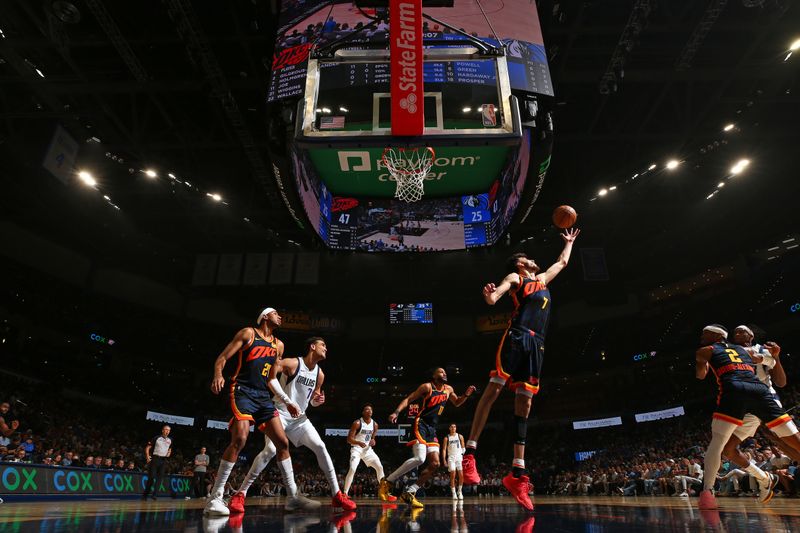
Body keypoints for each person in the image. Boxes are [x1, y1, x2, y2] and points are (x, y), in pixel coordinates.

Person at [462, 228, 580, 511]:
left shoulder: (541, 279)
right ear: (520, 263)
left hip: (537, 343)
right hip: (517, 336)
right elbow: (496, 296)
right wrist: (490, 297)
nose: (534, 260)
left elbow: (562, 263)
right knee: (494, 388)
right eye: (528, 258)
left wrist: (569, 243)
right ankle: (470, 453)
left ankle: (517, 474)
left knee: (525, 404)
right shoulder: (517, 277)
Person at [205, 307, 318, 516]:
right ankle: (215, 497)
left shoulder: (279, 345)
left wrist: (287, 401)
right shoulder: (248, 333)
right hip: (243, 391)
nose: (281, 316)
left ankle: (292, 496)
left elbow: (272, 379)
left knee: (282, 443)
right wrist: (218, 374)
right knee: (239, 439)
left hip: (263, 397)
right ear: (265, 316)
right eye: (276, 313)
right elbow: (222, 358)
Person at [229, 336, 355, 513]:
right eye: (323, 345)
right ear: (312, 346)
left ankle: (337, 495)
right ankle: (240, 494)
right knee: (270, 450)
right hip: (279, 413)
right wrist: (288, 401)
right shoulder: (293, 363)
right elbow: (270, 378)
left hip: (299, 419)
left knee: (320, 446)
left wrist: (318, 401)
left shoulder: (320, 374)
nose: (326, 348)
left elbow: (312, 400)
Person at [694, 324, 800, 510]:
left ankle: (709, 491)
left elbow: (781, 381)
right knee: (728, 450)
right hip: (750, 401)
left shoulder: (759, 349)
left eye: (742, 331)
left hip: (759, 397)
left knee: (783, 442)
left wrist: (775, 356)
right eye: (735, 332)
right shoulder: (740, 350)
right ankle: (764, 478)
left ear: (751, 335)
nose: (738, 333)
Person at [379, 367, 475, 508]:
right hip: (421, 424)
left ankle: (410, 493)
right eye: (441, 371)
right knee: (420, 458)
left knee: (435, 464)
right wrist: (396, 412)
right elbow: (409, 398)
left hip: (432, 429)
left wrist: (466, 395)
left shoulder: (448, 389)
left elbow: (457, 402)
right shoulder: (427, 387)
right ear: (434, 375)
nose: (444, 373)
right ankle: (388, 481)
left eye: (445, 372)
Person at [343, 404, 395, 501]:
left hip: (367, 450)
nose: (369, 411)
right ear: (363, 412)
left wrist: (373, 440)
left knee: (380, 467)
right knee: (353, 468)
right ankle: (345, 493)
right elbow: (349, 439)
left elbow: (373, 438)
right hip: (356, 449)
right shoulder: (357, 423)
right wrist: (358, 442)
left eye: (371, 409)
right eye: (367, 409)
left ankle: (385, 493)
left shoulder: (375, 425)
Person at [142, 425, 172, 500]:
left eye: (168, 430)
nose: (167, 431)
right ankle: (145, 494)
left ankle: (154, 495)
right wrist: (147, 456)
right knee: (151, 477)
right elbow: (148, 447)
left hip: (163, 460)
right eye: (166, 429)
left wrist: (169, 453)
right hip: (155, 459)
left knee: (160, 478)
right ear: (162, 430)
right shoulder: (156, 438)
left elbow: (170, 449)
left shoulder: (170, 440)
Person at [442, 424, 465, 500]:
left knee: (461, 475)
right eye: (451, 427)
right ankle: (454, 493)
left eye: (454, 427)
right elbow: (444, 449)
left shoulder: (460, 436)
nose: (453, 428)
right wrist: (444, 460)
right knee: (453, 475)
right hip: (451, 458)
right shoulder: (446, 438)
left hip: (459, 458)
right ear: (449, 428)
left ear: (456, 428)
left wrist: (462, 453)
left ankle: (459, 491)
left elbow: (463, 447)